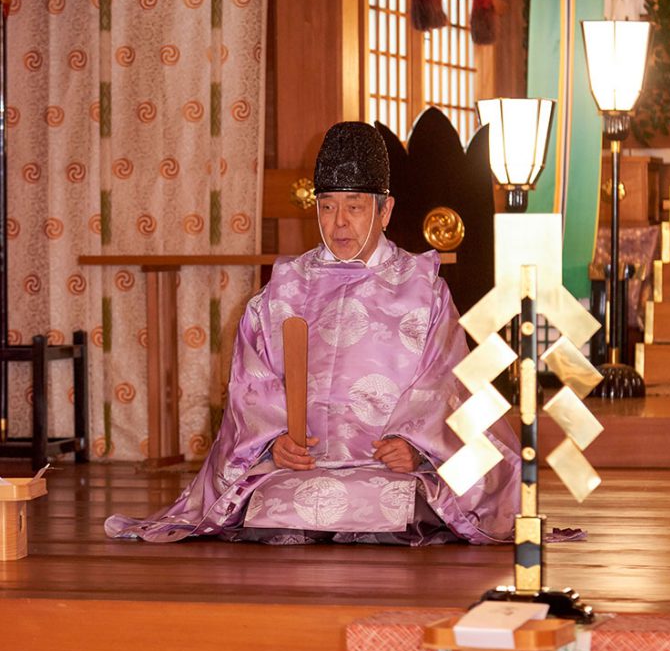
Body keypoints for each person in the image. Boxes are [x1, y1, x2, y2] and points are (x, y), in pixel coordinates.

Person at [105, 121, 520, 546]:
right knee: (278, 498)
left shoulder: (423, 288)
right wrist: (274, 444)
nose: (339, 223)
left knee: (399, 499)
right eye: (327, 206)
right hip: (301, 469)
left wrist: (416, 447)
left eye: (354, 207)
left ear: (385, 210)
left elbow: (447, 382)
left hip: (391, 469)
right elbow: (252, 385)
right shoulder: (284, 287)